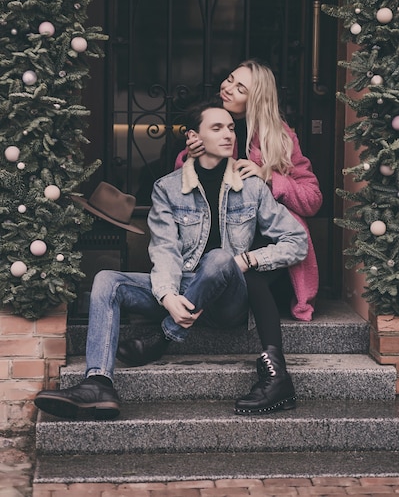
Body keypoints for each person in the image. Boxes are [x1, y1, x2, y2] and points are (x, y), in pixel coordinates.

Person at [34, 101, 308, 419]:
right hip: (182, 288)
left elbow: (296, 241)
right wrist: (167, 295)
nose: (228, 134)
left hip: (227, 301)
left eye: (231, 127)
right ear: (194, 137)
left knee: (220, 258)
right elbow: (164, 249)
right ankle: (98, 383)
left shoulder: (251, 187)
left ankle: (166, 335)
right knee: (107, 279)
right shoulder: (167, 189)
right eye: (217, 128)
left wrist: (248, 259)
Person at [175, 59, 322, 323]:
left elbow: (312, 200)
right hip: (220, 242)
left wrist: (268, 177)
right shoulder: (207, 122)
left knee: (250, 279)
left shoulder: (280, 137)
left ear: (256, 99)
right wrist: (189, 159)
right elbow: (179, 188)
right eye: (230, 79)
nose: (228, 88)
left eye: (240, 88)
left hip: (268, 245)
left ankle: (271, 356)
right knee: (230, 273)